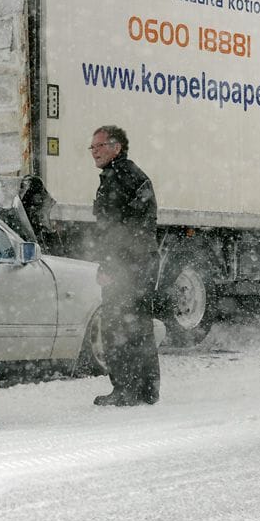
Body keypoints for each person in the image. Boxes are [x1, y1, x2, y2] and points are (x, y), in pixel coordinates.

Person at [88, 125, 161, 406]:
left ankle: (125, 390)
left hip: (126, 264)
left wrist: (107, 266)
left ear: (116, 148)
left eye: (99, 146)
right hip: (143, 262)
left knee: (117, 326)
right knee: (140, 324)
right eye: (92, 147)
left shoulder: (117, 179)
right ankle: (148, 390)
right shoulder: (133, 174)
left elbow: (114, 230)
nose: (94, 152)